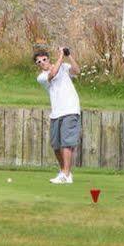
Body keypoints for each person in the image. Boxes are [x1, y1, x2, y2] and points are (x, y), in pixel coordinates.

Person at [35, 45, 82, 185]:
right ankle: (63, 172)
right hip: (56, 112)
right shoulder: (42, 77)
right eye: (39, 62)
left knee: (66, 144)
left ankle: (66, 175)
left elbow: (77, 71)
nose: (42, 62)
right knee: (56, 146)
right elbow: (53, 73)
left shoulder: (64, 66)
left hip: (70, 109)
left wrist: (69, 55)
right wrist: (61, 56)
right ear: (38, 66)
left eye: (44, 59)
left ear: (48, 58)